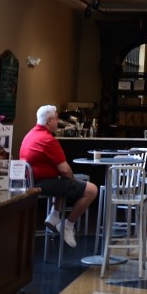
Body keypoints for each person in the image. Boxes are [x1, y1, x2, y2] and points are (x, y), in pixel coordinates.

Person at [19, 104, 98, 247]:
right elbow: (65, 169)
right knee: (92, 190)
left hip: (31, 180)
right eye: (56, 119)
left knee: (61, 180)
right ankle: (67, 225)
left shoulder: (30, 134)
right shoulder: (48, 140)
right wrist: (73, 181)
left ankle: (54, 215)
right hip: (42, 183)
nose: (58, 121)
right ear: (49, 121)